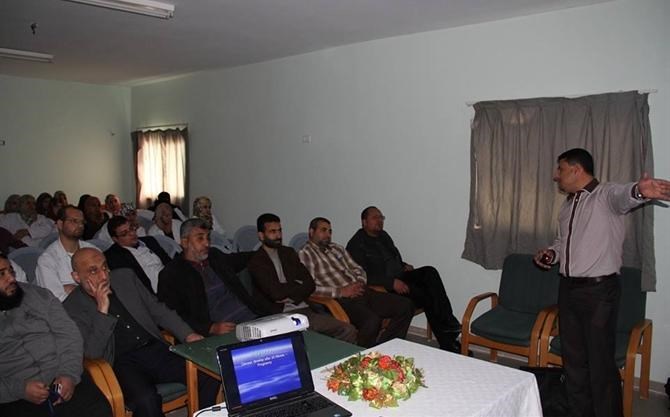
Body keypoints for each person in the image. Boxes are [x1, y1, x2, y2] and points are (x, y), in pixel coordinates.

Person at [533, 148, 670, 417]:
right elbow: (563, 242)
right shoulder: (568, 205)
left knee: (600, 364)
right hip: (568, 289)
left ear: (576, 170)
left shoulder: (605, 196)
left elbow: (624, 196)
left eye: (560, 169)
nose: (556, 175)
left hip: (598, 292)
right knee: (573, 362)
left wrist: (639, 191)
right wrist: (552, 253)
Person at [63, 248, 218, 417]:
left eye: (104, 267)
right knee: (146, 400)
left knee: (208, 373)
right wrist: (102, 310)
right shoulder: (72, 307)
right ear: (76, 277)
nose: (103, 276)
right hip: (121, 363)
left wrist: (188, 334)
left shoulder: (125, 278)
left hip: (155, 348)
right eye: (93, 271)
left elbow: (158, 310)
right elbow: (92, 353)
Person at [0, 254, 112, 417]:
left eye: (11, 271)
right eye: (1, 274)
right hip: (15, 395)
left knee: (99, 410)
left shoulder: (38, 295)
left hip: (62, 376)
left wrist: (68, 374)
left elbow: (69, 336)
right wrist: (20, 389)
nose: (11, 278)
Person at [347, 206, 462, 353]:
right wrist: (391, 283)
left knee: (430, 272)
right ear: (364, 222)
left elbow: (391, 258)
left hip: (400, 276)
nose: (380, 220)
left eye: (381, 217)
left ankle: (448, 326)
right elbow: (362, 275)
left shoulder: (383, 236)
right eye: (375, 217)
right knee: (426, 295)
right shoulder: (356, 244)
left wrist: (403, 265)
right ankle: (448, 340)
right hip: (384, 287)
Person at [299, 217, 414, 347]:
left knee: (405, 305)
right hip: (341, 299)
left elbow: (358, 268)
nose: (328, 234)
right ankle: (360, 353)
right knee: (372, 321)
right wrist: (341, 291)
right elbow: (309, 287)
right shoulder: (305, 253)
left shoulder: (337, 248)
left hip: (361, 290)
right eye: (323, 230)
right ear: (311, 232)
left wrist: (359, 282)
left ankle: (386, 348)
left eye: (330, 231)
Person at [249, 213, 358, 344]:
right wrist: (296, 285)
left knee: (348, 329)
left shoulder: (288, 253)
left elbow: (309, 284)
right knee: (309, 340)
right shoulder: (256, 261)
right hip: (278, 316)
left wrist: (291, 293)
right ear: (261, 235)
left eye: (279, 231)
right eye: (273, 232)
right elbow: (276, 293)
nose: (278, 236)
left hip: (303, 309)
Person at [158, 218, 261, 336]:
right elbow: (171, 315)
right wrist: (209, 328)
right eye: (200, 238)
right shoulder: (172, 274)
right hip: (224, 331)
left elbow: (240, 259)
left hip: (252, 317)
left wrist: (267, 249)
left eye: (208, 238)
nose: (207, 243)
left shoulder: (214, 256)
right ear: (185, 242)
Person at [35, 205, 97, 301]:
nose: (80, 225)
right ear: (60, 224)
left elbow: (105, 285)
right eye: (74, 221)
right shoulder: (47, 260)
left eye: (82, 222)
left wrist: (75, 290)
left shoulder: (93, 250)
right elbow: (55, 299)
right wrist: (88, 291)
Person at [104, 216, 172, 294]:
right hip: (155, 293)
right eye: (124, 233)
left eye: (131, 228)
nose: (132, 233)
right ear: (115, 239)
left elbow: (169, 262)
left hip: (172, 281)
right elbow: (132, 285)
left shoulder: (150, 241)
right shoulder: (114, 257)